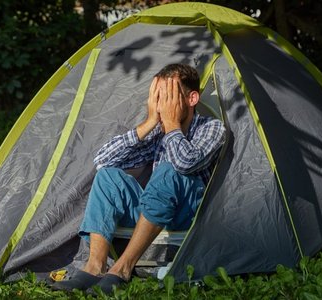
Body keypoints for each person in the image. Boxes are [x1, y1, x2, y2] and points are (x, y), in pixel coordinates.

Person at [52, 63, 226, 293]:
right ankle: (95, 266)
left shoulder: (212, 128)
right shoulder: (158, 131)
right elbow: (102, 160)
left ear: (192, 99)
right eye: (158, 97)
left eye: (169, 97)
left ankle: (123, 269)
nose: (162, 105)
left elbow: (185, 163)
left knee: (168, 170)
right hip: (156, 210)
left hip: (191, 213)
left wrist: (172, 125)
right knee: (108, 176)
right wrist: (151, 122)